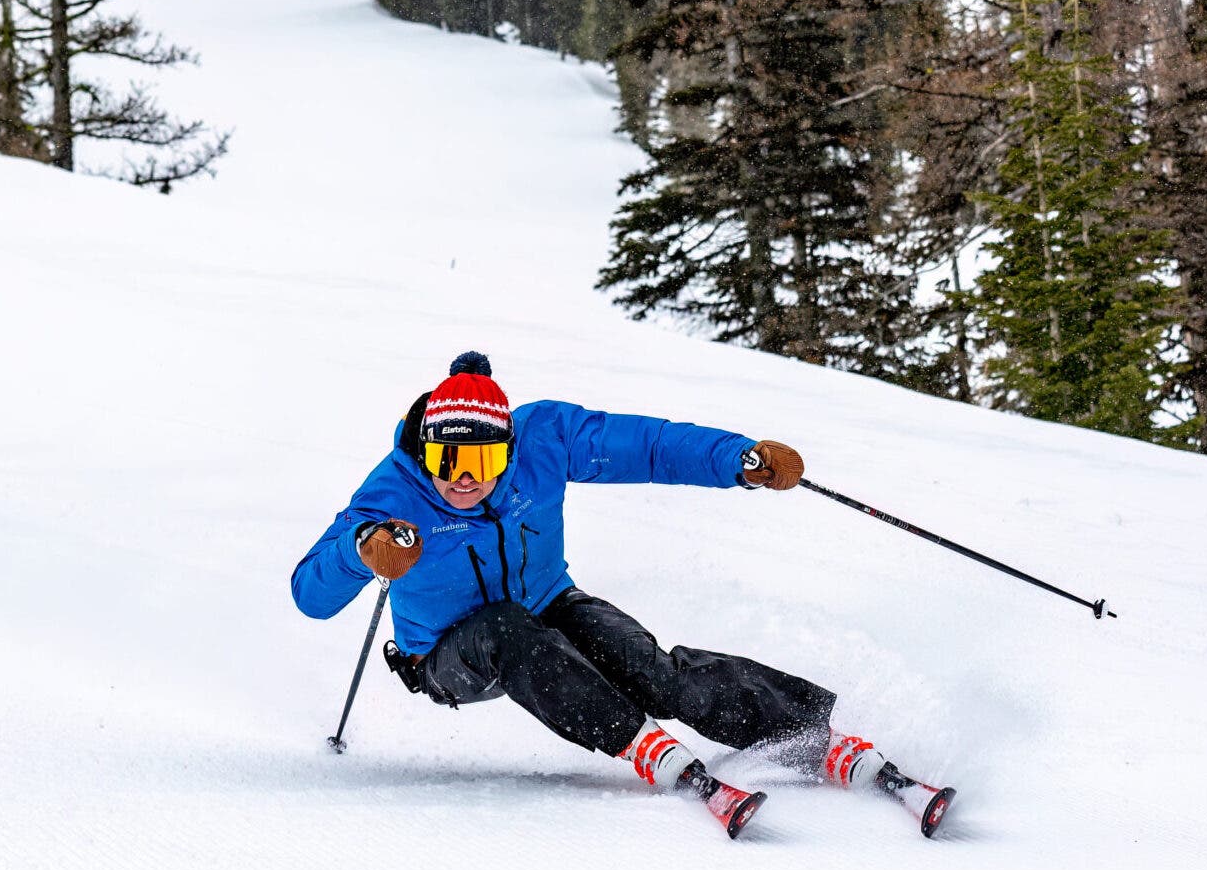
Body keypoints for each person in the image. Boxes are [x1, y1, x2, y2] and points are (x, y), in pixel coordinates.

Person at [291, 351, 953, 838]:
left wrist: (738, 460)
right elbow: (310, 594)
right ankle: (645, 747)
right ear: (425, 450)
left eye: (486, 464)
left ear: (510, 449)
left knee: (652, 671)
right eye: (449, 463)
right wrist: (360, 553)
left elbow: (645, 446)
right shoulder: (393, 495)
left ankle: (810, 735)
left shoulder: (545, 439)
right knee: (504, 629)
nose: (466, 481)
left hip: (547, 602)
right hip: (446, 655)